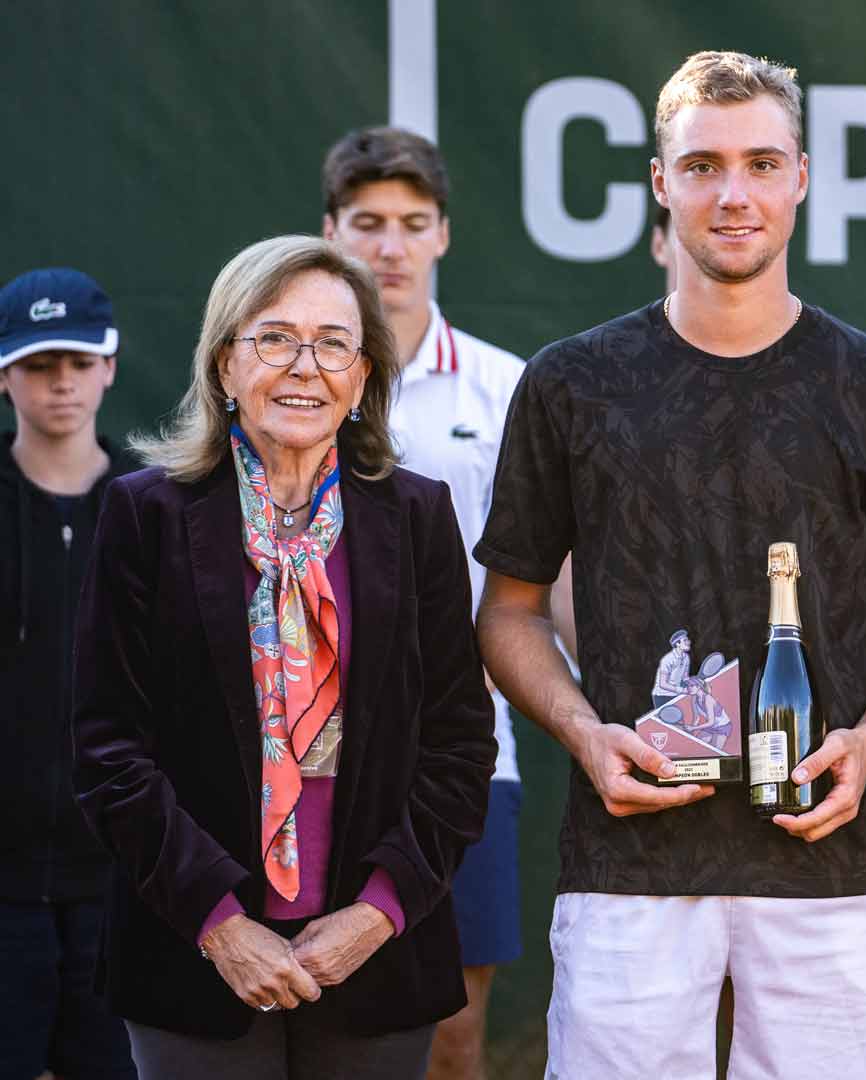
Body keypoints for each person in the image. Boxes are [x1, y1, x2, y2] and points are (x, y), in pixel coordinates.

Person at [473, 51, 866, 1079]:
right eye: (701, 166)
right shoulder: (571, 386)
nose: (732, 193)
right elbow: (509, 612)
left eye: (759, 163)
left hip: (833, 859)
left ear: (802, 177)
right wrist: (584, 735)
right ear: (660, 182)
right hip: (629, 863)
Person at [71, 235, 495, 1077]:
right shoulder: (144, 515)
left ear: (363, 377)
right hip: (193, 954)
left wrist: (376, 913)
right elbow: (108, 748)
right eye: (274, 338)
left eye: (333, 343)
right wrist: (221, 925)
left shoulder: (417, 518)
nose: (305, 366)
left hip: (376, 958)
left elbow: (459, 743)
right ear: (225, 365)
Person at [318, 127, 556, 1078]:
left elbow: (548, 579)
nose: (391, 247)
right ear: (330, 232)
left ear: (445, 236)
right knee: (317, 1014)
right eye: (368, 224)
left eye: (413, 224)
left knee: (454, 1030)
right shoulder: (285, 384)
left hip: (466, 750)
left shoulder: (506, 387)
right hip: (303, 751)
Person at [0, 268, 138, 1080]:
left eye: (79, 362)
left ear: (110, 366)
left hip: (118, 884)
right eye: (39, 363)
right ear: (4, 372)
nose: (61, 382)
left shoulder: (152, 507)